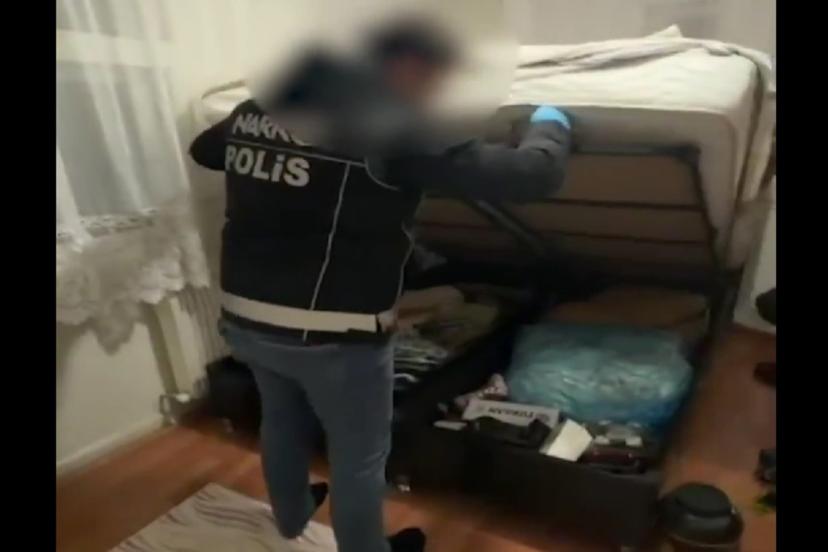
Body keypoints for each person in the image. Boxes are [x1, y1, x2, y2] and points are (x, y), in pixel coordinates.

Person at [189, 19, 572, 552]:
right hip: (333, 331)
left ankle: (292, 515)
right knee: (359, 458)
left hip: (246, 315)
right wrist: (551, 121)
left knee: (281, 417)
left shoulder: (258, 109)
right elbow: (532, 175)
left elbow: (205, 151)